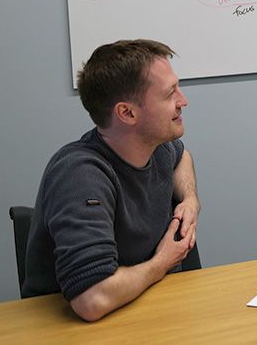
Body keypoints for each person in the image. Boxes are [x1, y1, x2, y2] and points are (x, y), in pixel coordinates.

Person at [22, 39, 200, 322]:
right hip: (72, 330)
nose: (183, 101)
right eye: (170, 94)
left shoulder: (158, 148)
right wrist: (161, 262)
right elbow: (92, 300)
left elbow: (182, 158)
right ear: (127, 113)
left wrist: (189, 199)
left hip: (147, 311)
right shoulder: (80, 174)